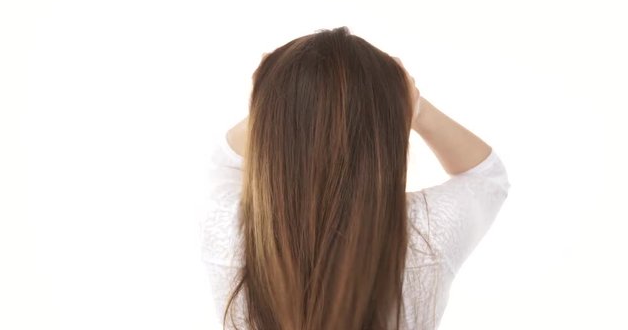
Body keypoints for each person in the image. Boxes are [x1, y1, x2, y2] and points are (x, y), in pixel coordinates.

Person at [201, 26, 511, 330]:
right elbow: (486, 178)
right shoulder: (424, 234)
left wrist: (267, 99)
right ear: (388, 133)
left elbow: (224, 162)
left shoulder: (229, 234)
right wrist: (415, 106)